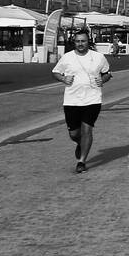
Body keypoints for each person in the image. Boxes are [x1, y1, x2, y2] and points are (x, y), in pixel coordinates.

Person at [51, 28, 111, 174]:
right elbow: (55, 72)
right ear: (74, 42)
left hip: (93, 99)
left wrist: (102, 80)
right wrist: (63, 78)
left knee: (87, 130)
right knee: (74, 133)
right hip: (71, 100)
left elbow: (108, 73)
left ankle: (81, 161)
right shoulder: (67, 57)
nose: (80, 44)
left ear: (88, 41)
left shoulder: (98, 57)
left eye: (83, 41)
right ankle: (80, 144)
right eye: (77, 41)